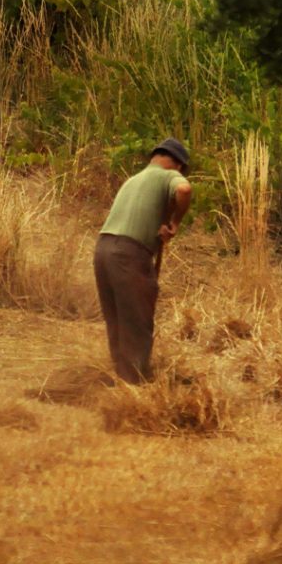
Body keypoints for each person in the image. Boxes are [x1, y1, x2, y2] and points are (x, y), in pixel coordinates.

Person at [94, 138, 193, 383]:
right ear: (178, 165)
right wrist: (175, 224)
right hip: (129, 253)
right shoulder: (167, 176)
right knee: (137, 322)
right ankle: (134, 388)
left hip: (102, 250)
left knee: (117, 321)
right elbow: (184, 190)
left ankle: (119, 378)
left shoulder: (133, 179)